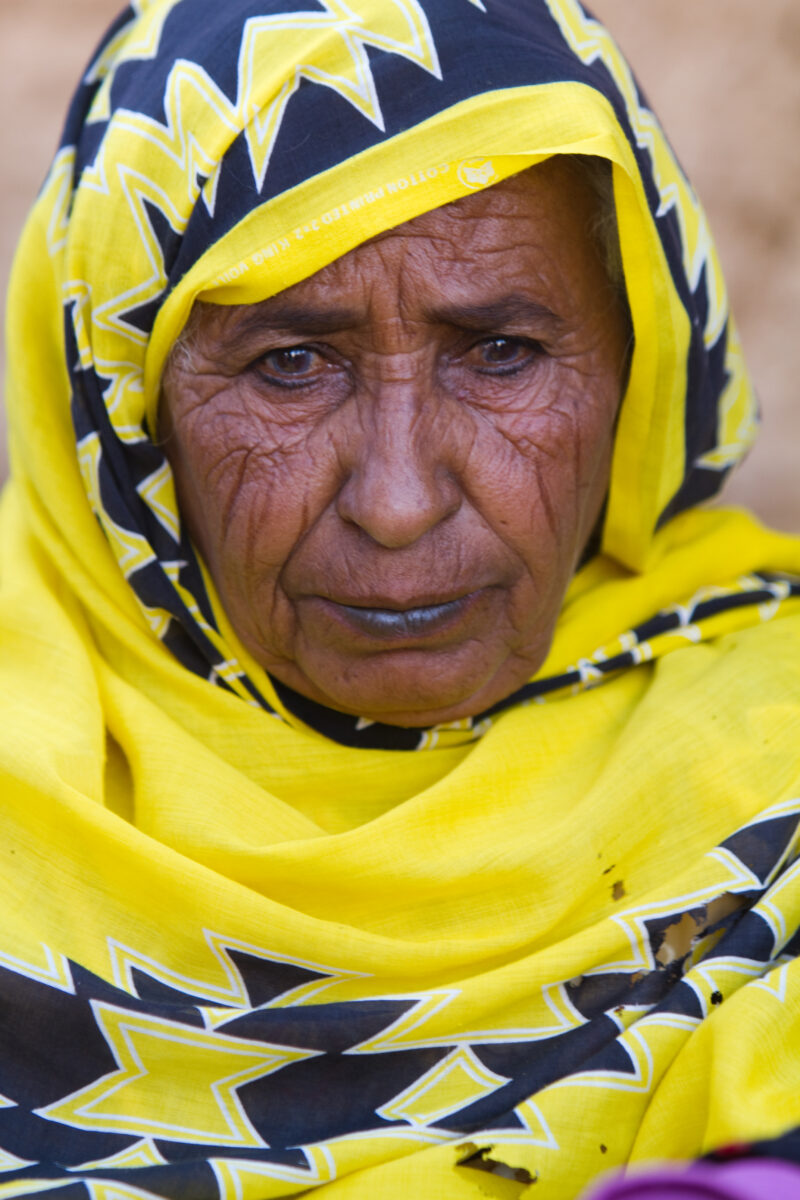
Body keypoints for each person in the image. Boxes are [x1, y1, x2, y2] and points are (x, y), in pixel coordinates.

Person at [2, 1, 800, 1198]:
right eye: (289, 363)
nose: (396, 501)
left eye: (499, 353)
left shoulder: (770, 776)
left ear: (636, 363)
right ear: (130, 408)